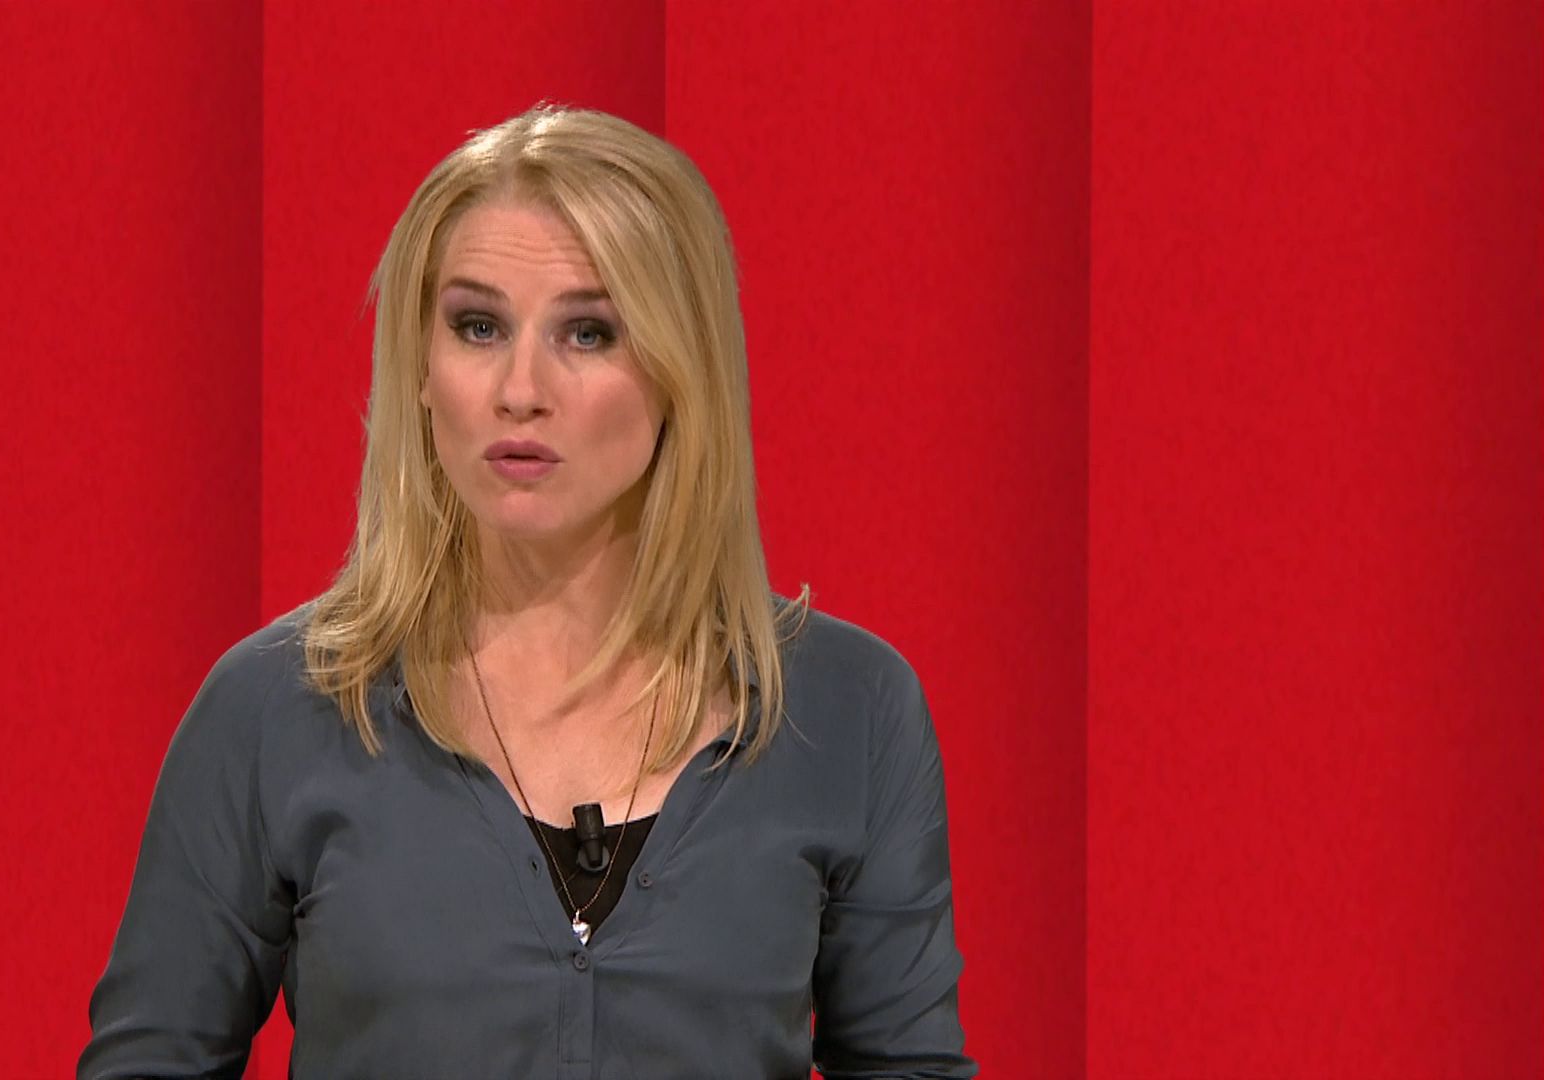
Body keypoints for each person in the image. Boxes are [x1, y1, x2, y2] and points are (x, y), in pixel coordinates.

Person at [78, 102, 977, 1080]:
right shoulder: (275, 711)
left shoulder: (850, 711)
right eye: (478, 326)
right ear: (422, 372)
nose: (520, 390)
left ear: (682, 372)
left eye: (588, 333)